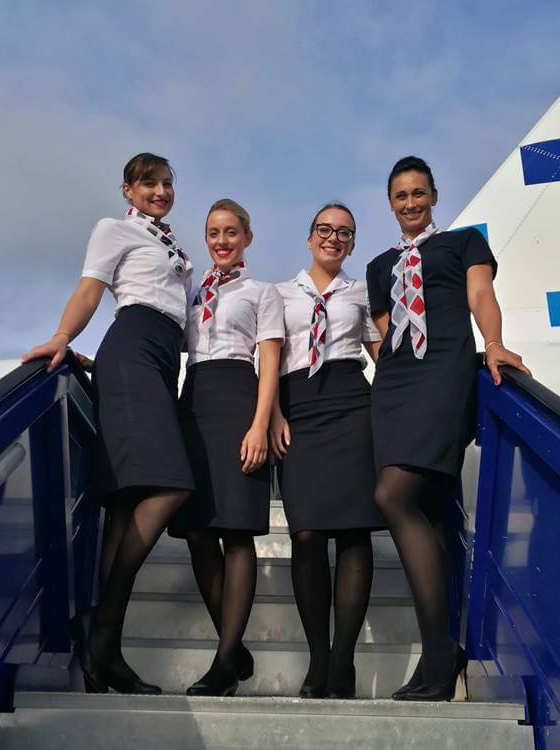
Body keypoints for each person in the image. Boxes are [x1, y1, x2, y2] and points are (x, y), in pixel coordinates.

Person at [22, 152, 194, 694]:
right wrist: (63, 338)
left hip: (160, 360)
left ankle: (107, 654)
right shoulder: (114, 230)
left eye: (167, 183)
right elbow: (91, 288)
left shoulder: (173, 247)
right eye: (149, 184)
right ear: (128, 190)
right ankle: (101, 631)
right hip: (135, 346)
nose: (160, 191)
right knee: (171, 483)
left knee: (126, 502)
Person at [366, 156, 530, 701]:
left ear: (433, 195)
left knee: (394, 496)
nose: (409, 203)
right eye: (400, 196)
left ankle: (439, 653)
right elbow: (387, 333)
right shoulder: (378, 265)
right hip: (394, 383)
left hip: (444, 371)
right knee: (428, 512)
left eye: (418, 193)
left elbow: (480, 295)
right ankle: (440, 654)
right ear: (390, 203)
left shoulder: (462, 244)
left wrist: (495, 342)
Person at [169, 199, 284, 697]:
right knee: (196, 531)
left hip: (240, 397)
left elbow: (270, 359)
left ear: (247, 237)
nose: (222, 241)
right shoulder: (191, 293)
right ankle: (234, 649)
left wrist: (260, 424)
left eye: (231, 232)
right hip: (194, 401)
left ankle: (222, 663)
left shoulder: (262, 292)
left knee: (236, 534)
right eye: (214, 233)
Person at [270, 203, 385, 699]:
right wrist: (272, 413)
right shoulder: (278, 294)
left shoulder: (361, 292)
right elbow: (269, 357)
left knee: (354, 533)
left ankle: (344, 661)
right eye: (325, 229)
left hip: (351, 402)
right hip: (297, 408)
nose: (333, 238)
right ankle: (318, 656)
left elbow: (382, 353)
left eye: (344, 233)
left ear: (353, 243)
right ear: (309, 235)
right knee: (308, 533)